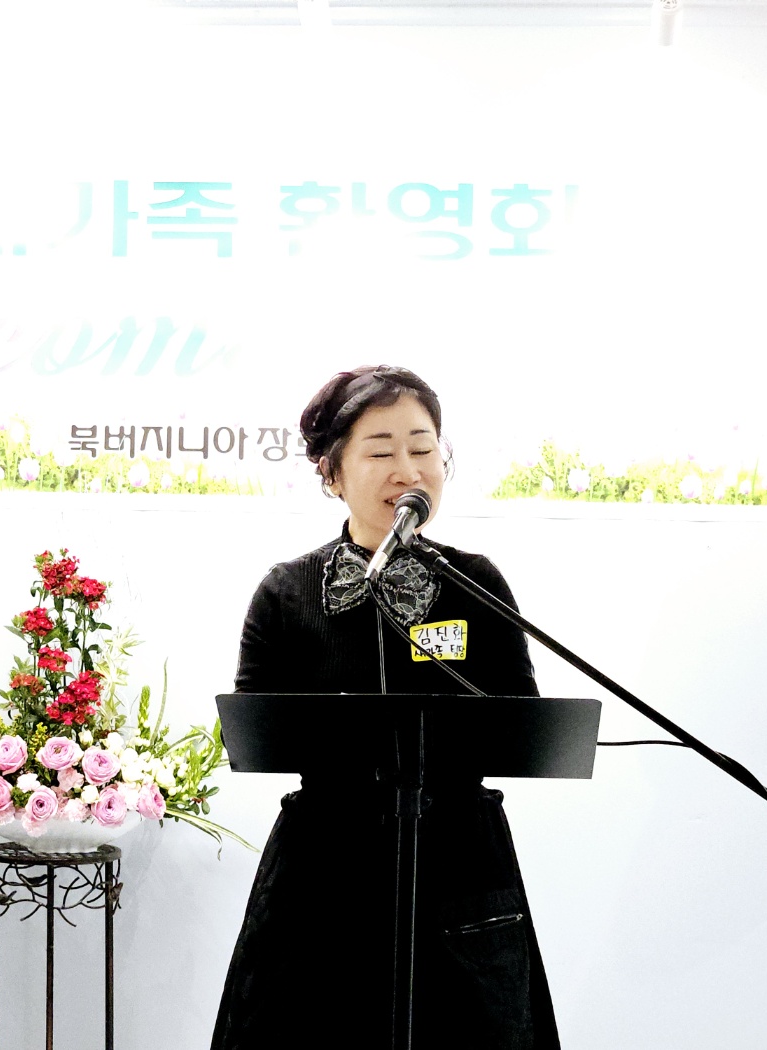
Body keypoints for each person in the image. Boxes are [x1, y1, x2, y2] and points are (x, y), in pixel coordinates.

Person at [211, 365, 559, 1050]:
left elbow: (520, 719)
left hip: (458, 859)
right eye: (381, 451)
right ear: (333, 473)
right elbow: (255, 728)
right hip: (325, 865)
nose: (409, 469)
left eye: (423, 448)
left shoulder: (475, 582)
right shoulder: (287, 592)